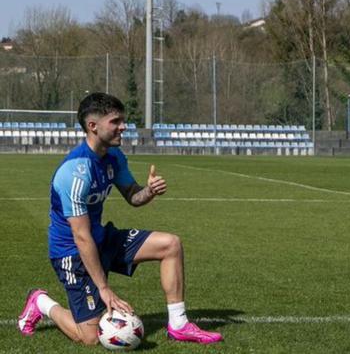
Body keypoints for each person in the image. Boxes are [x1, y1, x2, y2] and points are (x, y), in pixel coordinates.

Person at [17, 92, 222, 345]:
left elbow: (133, 197)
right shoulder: (74, 172)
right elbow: (81, 237)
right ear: (93, 126)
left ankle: (179, 325)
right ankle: (41, 302)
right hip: (71, 252)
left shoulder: (114, 157)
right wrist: (104, 288)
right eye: (115, 121)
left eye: (122, 120)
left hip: (101, 239)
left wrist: (149, 191)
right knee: (90, 337)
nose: (123, 126)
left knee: (171, 245)